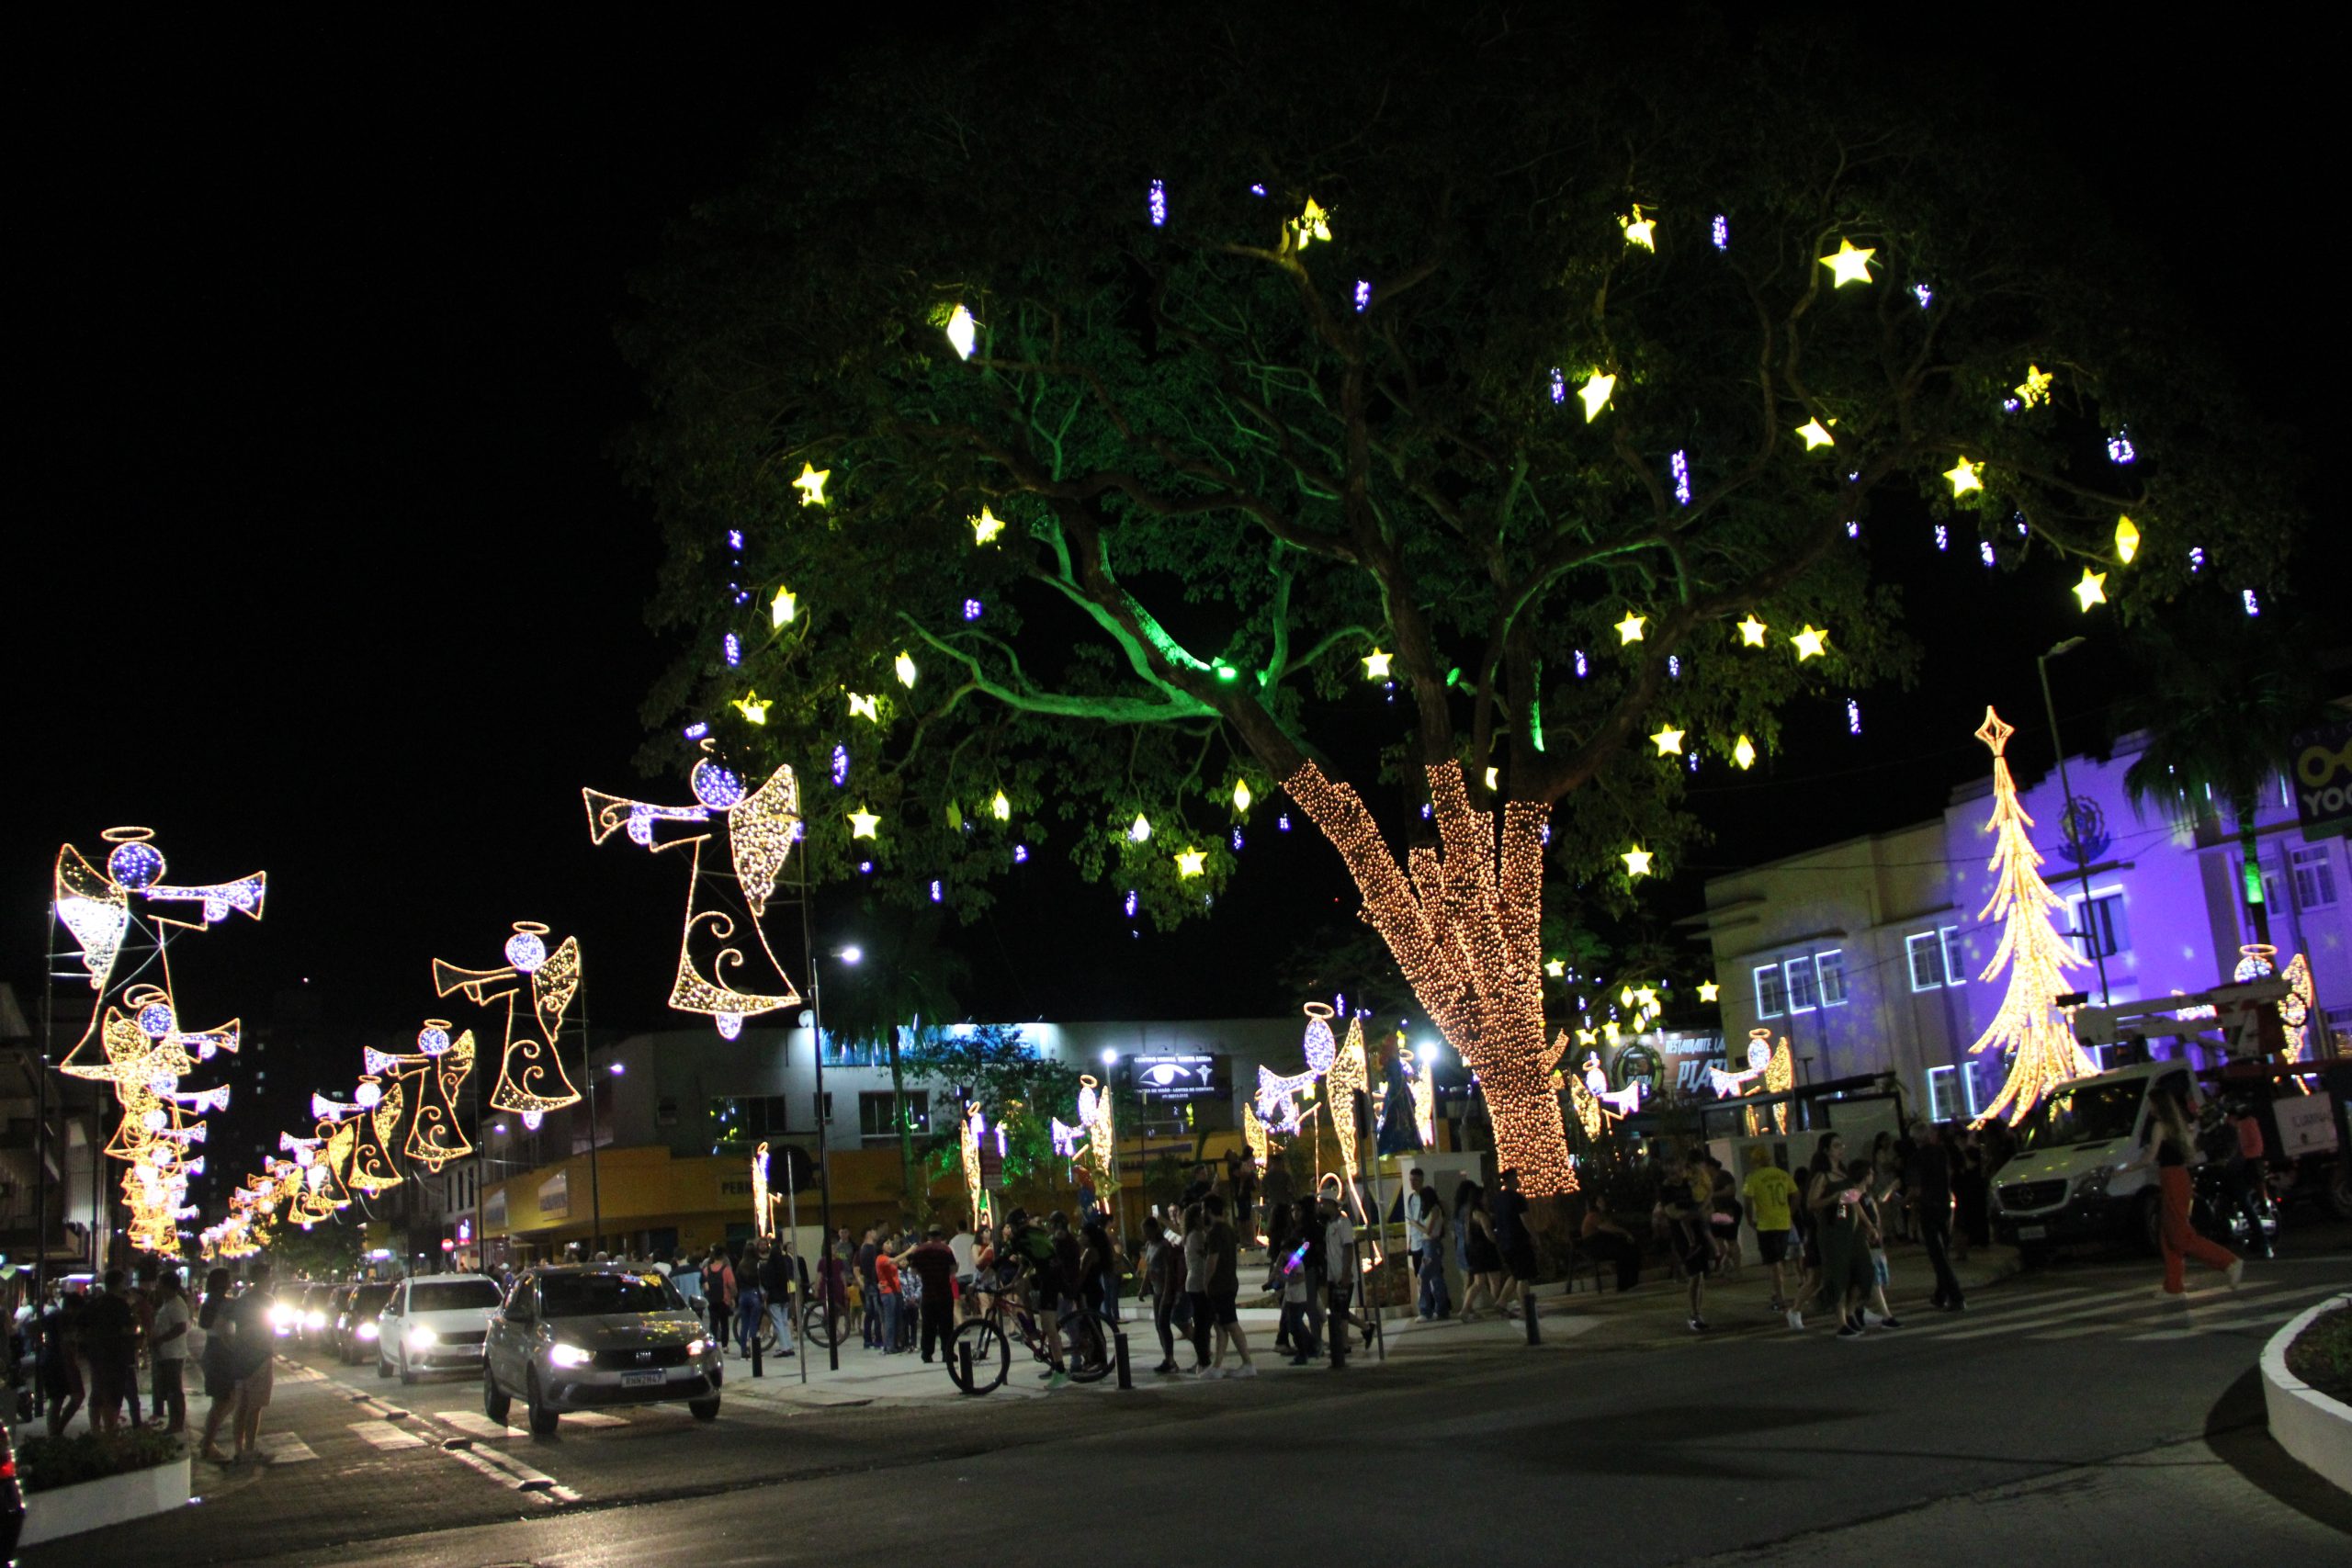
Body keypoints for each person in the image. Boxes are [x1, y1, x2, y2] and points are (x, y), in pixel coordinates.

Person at [2137, 1084, 2243, 1297]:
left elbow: (2150, 1157)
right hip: (2178, 1177)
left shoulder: (2159, 1126)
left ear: (2158, 1104)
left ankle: (2229, 1262)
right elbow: (2190, 1154)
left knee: (2179, 1235)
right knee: (2167, 1234)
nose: (2148, 1107)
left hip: (2171, 1178)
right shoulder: (2177, 1124)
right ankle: (2173, 1286)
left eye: (2150, 1102)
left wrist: (2125, 1169)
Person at [1904, 1122, 1966, 1312]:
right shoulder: (1941, 1153)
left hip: (1928, 1207)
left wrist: (1906, 1201)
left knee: (1938, 1256)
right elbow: (1949, 1174)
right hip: (1944, 1203)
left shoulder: (1916, 1158)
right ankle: (1941, 1294)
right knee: (1942, 1251)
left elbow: (1916, 1188)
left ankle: (1955, 1296)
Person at [1740, 1147, 1801, 1325]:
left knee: (1773, 1263)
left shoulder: (1753, 1178)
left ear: (1755, 1162)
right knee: (1779, 1260)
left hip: (1766, 1225)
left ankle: (1780, 1298)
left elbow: (1747, 1201)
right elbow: (1796, 1195)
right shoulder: (1782, 1174)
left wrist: (1750, 1220)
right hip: (1784, 1223)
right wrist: (1789, 1213)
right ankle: (1779, 1292)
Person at [226, 1263, 277, 1460]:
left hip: (242, 1357)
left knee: (242, 1405)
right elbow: (269, 1328)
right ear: (263, 1278)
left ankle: (239, 1449)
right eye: (269, 1276)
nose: (271, 1279)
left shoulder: (241, 1301)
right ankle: (249, 1448)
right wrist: (268, 1347)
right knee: (254, 1406)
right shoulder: (267, 1301)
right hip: (259, 1357)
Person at [1201, 1194, 1255, 1377]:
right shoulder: (1228, 1230)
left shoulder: (1216, 1232)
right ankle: (1217, 1366)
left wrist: (1206, 1281)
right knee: (1221, 1325)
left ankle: (1248, 1363)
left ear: (1209, 1210)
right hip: (1228, 1282)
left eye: (1203, 1209)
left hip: (1221, 1284)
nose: (1202, 1213)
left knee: (1230, 1324)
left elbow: (1212, 1259)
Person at [81, 1269, 137, 1434]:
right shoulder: (120, 1305)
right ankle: (110, 1429)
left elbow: (80, 1326)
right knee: (114, 1393)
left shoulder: (95, 1303)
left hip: (97, 1354)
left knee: (98, 1390)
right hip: (116, 1354)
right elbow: (129, 1329)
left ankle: (95, 1429)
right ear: (119, 1284)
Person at [1321, 1190, 1368, 1364]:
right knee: (1338, 1310)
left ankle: (1343, 1343)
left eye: (1323, 1203)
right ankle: (1364, 1329)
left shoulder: (1343, 1223)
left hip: (1343, 1275)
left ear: (1332, 1204)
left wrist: (1346, 1273)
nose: (1321, 1206)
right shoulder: (1330, 1224)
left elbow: (1348, 1248)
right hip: (1333, 1275)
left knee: (1340, 1310)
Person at [194, 1269, 236, 1461]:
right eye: (228, 1279)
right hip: (221, 1354)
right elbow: (225, 1334)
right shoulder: (224, 1304)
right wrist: (235, 1350)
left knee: (221, 1400)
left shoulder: (208, 1302)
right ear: (222, 1283)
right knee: (224, 1400)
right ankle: (208, 1444)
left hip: (212, 1351)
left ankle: (207, 1441)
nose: (231, 1282)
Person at [900, 1227, 959, 1362]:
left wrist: (924, 1274)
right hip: (944, 1292)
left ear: (928, 1236)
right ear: (940, 1236)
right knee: (946, 1326)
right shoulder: (945, 1250)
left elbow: (913, 1270)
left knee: (928, 1326)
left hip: (928, 1293)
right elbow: (952, 1269)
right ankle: (947, 1353)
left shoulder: (920, 1250)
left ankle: (927, 1354)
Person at [150, 1267, 192, 1433]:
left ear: (168, 1286)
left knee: (174, 1391)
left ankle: (176, 1424)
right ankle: (174, 1422)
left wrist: (161, 1339)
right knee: (169, 1390)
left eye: (160, 1284)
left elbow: (180, 1327)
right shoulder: (167, 1303)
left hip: (173, 1354)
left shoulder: (176, 1304)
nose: (157, 1287)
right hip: (166, 1353)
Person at [1489, 1168, 1537, 1313]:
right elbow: (1525, 1219)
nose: (1518, 1180)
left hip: (1505, 1243)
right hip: (1519, 1241)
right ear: (1510, 1179)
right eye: (1516, 1177)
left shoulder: (1497, 1199)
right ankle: (1525, 1310)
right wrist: (1534, 1236)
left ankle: (1501, 1302)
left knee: (1515, 1273)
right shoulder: (1517, 1198)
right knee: (1523, 1276)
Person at [39, 1289, 84, 1438]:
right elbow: (33, 1328)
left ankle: (56, 1432)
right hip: (57, 1360)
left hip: (59, 1360)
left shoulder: (57, 1317)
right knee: (60, 1398)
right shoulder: (58, 1317)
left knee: (61, 1398)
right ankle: (55, 1433)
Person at [1456, 1179, 1504, 1321]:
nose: (1487, 1198)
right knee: (1494, 1280)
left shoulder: (1469, 1214)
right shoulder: (1482, 1215)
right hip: (1487, 1250)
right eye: (1485, 1196)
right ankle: (1499, 1306)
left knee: (1478, 1281)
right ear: (1479, 1198)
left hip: (1474, 1251)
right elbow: (1489, 1233)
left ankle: (1465, 1309)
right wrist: (1498, 1241)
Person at [1578, 1193, 1642, 1293]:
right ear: (1595, 1204)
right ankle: (1623, 1284)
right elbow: (1605, 1227)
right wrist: (1624, 1232)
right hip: (1595, 1246)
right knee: (1622, 1252)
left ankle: (1630, 1281)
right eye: (1600, 1201)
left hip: (1602, 1243)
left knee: (1630, 1249)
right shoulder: (1592, 1216)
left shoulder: (1601, 1215)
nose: (1603, 1203)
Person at [1412, 1169, 1453, 1318]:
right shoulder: (1434, 1209)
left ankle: (1425, 1310)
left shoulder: (1434, 1210)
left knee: (1422, 1277)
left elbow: (1428, 1230)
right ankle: (1441, 1309)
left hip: (1431, 1245)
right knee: (1436, 1278)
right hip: (1429, 1246)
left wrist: (1415, 1225)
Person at [761, 1242, 800, 1357]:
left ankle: (784, 1348)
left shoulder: (769, 1267)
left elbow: (767, 1283)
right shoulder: (783, 1266)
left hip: (774, 1299)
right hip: (784, 1297)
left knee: (778, 1323)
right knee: (784, 1322)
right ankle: (789, 1346)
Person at [702, 1247, 737, 1354]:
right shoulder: (726, 1269)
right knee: (724, 1323)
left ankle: (712, 1345)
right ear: (723, 1256)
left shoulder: (706, 1270)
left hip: (711, 1300)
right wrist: (733, 1297)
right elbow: (731, 1285)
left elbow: (704, 1285)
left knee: (713, 1323)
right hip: (724, 1300)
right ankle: (725, 1346)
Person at [871, 1241, 904, 1353]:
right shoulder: (881, 1258)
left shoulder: (891, 1257)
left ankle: (894, 1344)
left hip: (895, 1291)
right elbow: (875, 1276)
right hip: (886, 1291)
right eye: (887, 1243)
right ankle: (888, 1346)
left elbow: (899, 1264)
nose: (890, 1245)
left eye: (891, 1243)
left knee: (895, 1319)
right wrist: (909, 1251)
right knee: (888, 1320)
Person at [854, 1228, 884, 1349]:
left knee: (870, 1312)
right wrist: (876, 1283)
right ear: (869, 1233)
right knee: (876, 1312)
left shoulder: (862, 1249)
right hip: (873, 1283)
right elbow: (872, 1268)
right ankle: (878, 1339)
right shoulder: (871, 1249)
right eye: (873, 1232)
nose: (876, 1234)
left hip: (868, 1283)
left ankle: (867, 1339)